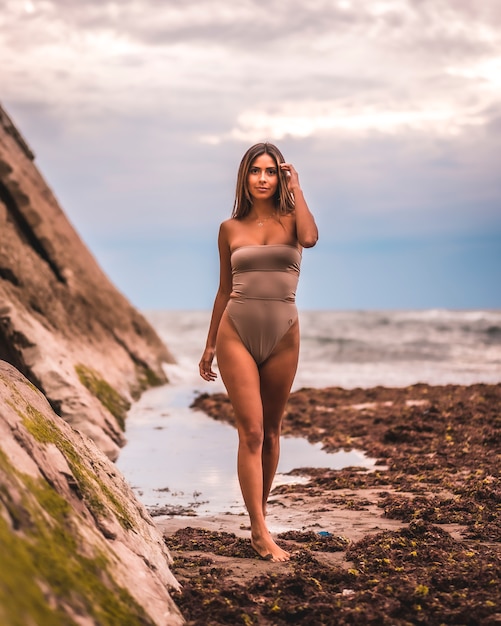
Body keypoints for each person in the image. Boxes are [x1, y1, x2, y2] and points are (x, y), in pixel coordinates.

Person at [199, 142, 318, 562]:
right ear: (244, 177)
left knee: (271, 431)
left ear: (280, 176)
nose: (263, 178)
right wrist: (211, 343)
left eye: (271, 171)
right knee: (250, 431)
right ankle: (259, 530)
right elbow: (223, 289)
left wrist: (298, 188)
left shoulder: (292, 222)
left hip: (284, 334)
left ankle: (259, 515)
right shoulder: (229, 229)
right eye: (256, 171)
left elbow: (311, 238)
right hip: (236, 332)